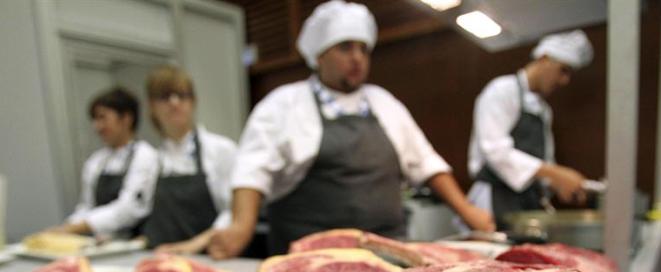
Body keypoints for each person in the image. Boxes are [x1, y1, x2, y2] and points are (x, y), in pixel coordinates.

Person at [180, 0, 493, 258]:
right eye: (345, 48)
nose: (357, 57)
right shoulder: (284, 104)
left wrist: (467, 210)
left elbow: (426, 163)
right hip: (311, 260)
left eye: (363, 49)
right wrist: (241, 225)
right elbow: (252, 171)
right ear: (319, 56)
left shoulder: (384, 103)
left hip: (389, 254)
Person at [467, 29, 594, 229]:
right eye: (563, 70)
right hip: (495, 200)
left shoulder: (544, 110)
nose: (564, 81)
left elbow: (545, 162)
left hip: (527, 204)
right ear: (544, 58)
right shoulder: (502, 90)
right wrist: (557, 174)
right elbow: (495, 150)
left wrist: (557, 184)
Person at [142, 65, 237, 249]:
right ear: (152, 106)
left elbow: (234, 211)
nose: (174, 103)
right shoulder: (151, 159)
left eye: (182, 95)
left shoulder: (221, 150)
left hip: (209, 257)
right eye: (164, 97)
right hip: (161, 258)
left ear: (193, 102)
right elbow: (142, 211)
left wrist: (195, 244)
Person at [53, 87, 158, 238]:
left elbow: (129, 209)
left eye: (103, 118)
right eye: (95, 119)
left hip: (132, 244)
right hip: (99, 243)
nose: (97, 126)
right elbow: (86, 207)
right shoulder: (95, 162)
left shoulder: (145, 155)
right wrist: (66, 228)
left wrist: (76, 228)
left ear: (126, 119)